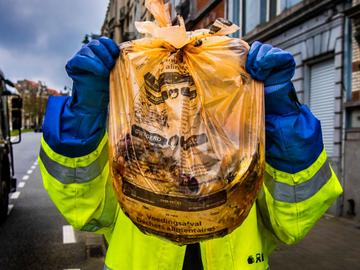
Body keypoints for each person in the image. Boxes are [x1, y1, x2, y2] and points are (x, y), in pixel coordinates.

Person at [39, 37, 342, 270]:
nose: (185, 109)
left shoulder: (244, 156)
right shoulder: (130, 153)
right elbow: (83, 207)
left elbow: (293, 222)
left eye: (200, 97)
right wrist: (81, 122)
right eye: (172, 96)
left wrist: (284, 122)